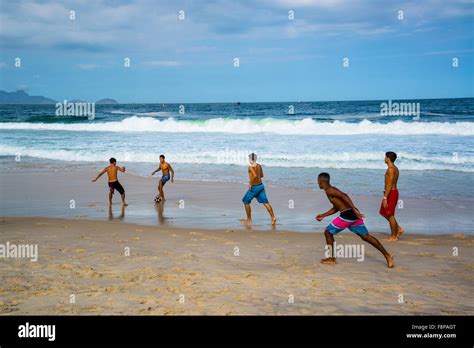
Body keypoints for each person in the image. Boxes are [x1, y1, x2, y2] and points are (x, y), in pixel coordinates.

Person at [315, 172, 394, 268]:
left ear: (320, 181)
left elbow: (345, 195)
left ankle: (332, 258)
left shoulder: (330, 190)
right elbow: (336, 208)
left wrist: (354, 209)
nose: (317, 183)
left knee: (328, 232)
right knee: (366, 237)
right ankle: (387, 255)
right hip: (351, 214)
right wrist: (323, 215)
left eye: (318, 181)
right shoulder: (330, 191)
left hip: (347, 215)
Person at [240, 153, 276, 225]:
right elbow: (261, 176)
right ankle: (273, 217)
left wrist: (251, 184)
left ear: (251, 159)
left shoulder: (250, 167)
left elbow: (255, 175)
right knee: (265, 202)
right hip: (261, 186)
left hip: (255, 187)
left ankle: (249, 218)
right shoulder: (259, 165)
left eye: (249, 159)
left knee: (245, 201)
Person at [380, 151, 404, 241]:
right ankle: (398, 228)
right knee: (383, 212)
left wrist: (385, 197)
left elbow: (390, 184)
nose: (384, 158)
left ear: (388, 158)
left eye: (385, 157)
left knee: (390, 215)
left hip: (391, 193)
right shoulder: (394, 168)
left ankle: (394, 236)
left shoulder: (391, 169)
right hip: (390, 192)